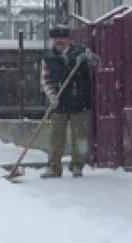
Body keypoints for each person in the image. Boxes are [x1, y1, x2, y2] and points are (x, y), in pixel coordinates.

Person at [39, 24, 101, 179]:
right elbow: (45, 80)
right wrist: (52, 97)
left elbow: (97, 63)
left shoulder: (80, 51)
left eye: (62, 38)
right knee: (56, 137)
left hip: (80, 101)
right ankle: (54, 167)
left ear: (68, 39)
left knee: (80, 136)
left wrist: (89, 58)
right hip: (59, 102)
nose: (59, 41)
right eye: (55, 38)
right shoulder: (48, 58)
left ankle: (78, 165)